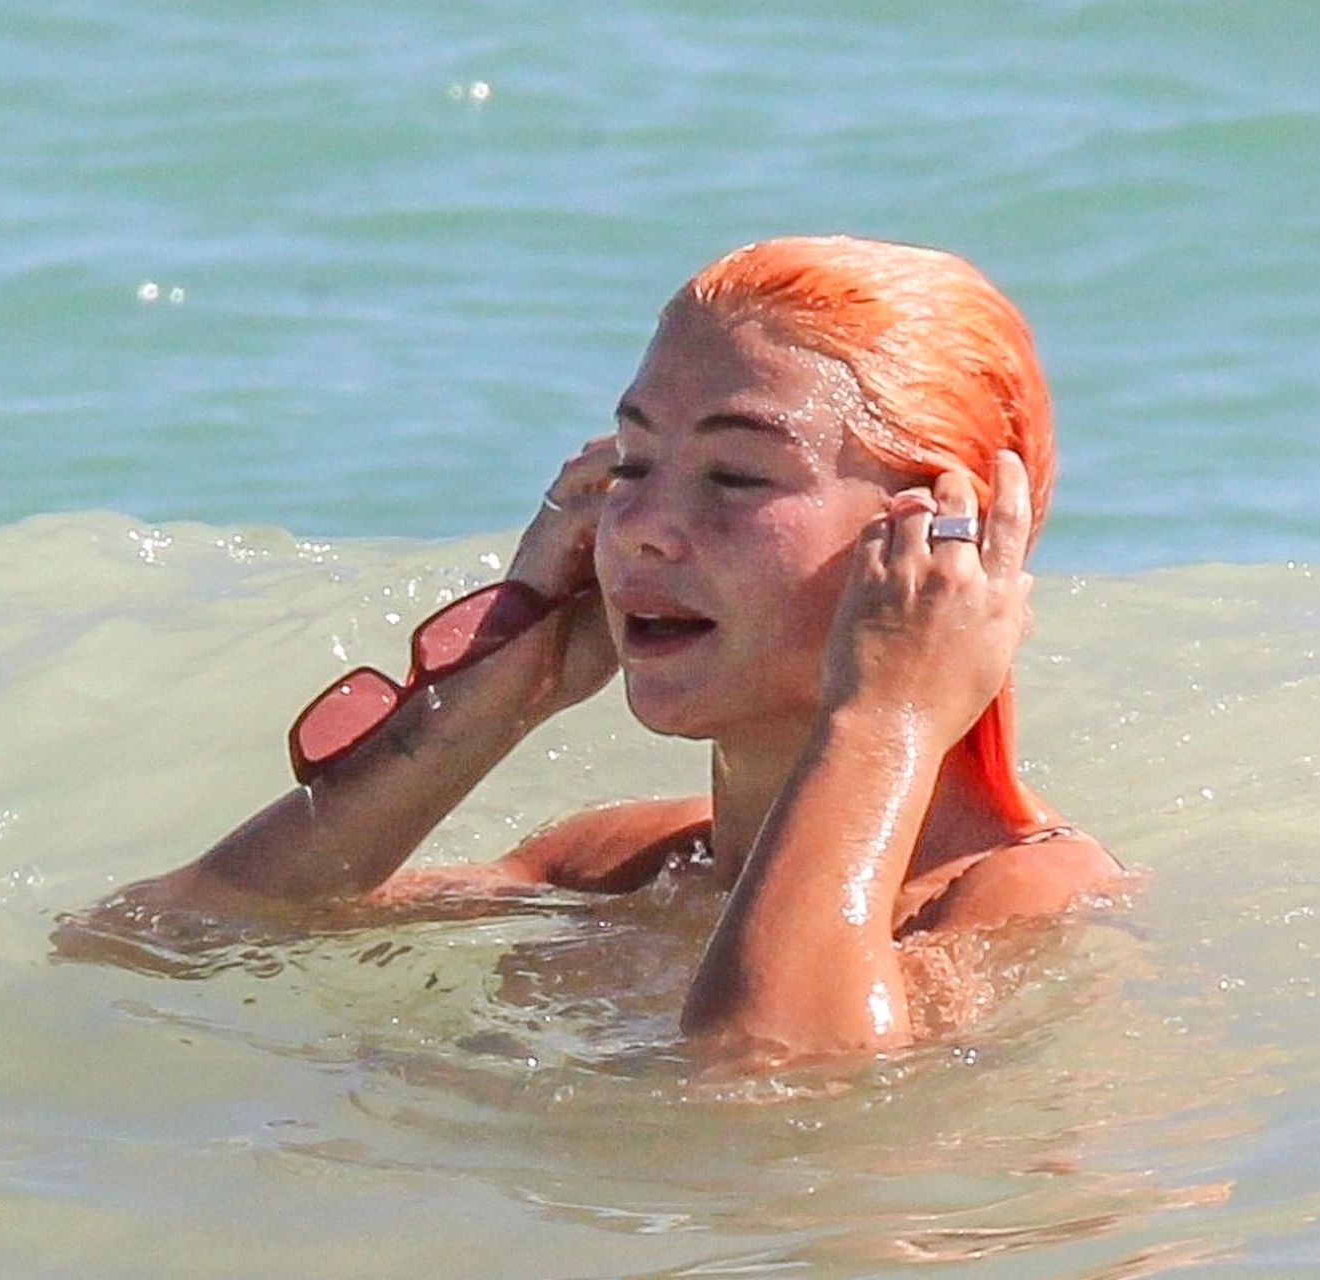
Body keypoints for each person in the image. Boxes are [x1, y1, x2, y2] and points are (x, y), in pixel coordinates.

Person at [79, 235, 1123, 1063]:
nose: (643, 528)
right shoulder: (620, 865)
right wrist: (507, 682)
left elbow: (769, 1083)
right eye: (631, 464)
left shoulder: (1022, 901)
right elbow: (161, 943)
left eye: (735, 476)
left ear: (945, 537)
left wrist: (885, 716)